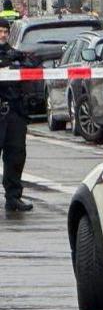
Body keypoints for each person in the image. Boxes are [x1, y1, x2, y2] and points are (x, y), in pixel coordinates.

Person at [0, 18, 41, 212]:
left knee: (16, 154)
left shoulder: (12, 53)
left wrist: (19, 58)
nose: (3, 35)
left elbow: (33, 62)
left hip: (14, 111)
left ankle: (13, 197)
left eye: (5, 32)